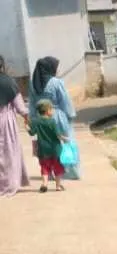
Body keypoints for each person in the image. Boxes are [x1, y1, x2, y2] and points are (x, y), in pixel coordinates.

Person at [29, 57, 80, 180]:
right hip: (56, 115)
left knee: (46, 145)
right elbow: (64, 101)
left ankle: (49, 172)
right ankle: (70, 171)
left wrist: (33, 119)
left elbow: (31, 103)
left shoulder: (33, 84)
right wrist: (70, 115)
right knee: (66, 143)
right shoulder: (56, 82)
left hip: (40, 118)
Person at [0, 55, 30, 197]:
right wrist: (27, 118)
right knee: (9, 153)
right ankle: (10, 184)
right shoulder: (8, 82)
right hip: (6, 122)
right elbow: (20, 107)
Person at [28, 99, 67, 193]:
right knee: (57, 167)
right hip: (55, 150)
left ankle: (45, 184)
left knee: (44, 167)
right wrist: (64, 139)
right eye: (51, 109)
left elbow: (31, 132)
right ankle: (58, 186)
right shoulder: (52, 122)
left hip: (43, 150)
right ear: (47, 110)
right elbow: (57, 134)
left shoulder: (36, 121)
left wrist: (27, 126)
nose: (52, 111)